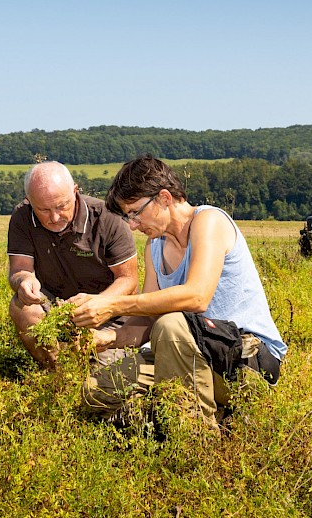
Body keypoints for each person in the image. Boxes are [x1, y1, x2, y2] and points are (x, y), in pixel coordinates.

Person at [73, 155, 287, 428]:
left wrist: (113, 306)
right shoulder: (154, 247)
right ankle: (178, 414)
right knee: (94, 393)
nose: (132, 225)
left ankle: (194, 435)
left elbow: (197, 296)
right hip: (186, 353)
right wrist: (106, 338)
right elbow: (147, 320)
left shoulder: (209, 221)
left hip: (244, 360)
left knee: (171, 323)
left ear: (164, 197)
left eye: (135, 212)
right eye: (128, 216)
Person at [7, 161, 150, 367]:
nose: (54, 217)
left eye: (61, 206)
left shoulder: (108, 219)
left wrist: (97, 305)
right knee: (23, 307)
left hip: (109, 315)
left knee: (95, 376)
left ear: (75, 191)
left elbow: (128, 279)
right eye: (44, 210)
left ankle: (82, 368)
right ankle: (54, 370)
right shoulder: (23, 217)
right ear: (29, 201)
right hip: (57, 308)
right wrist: (24, 280)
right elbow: (19, 269)